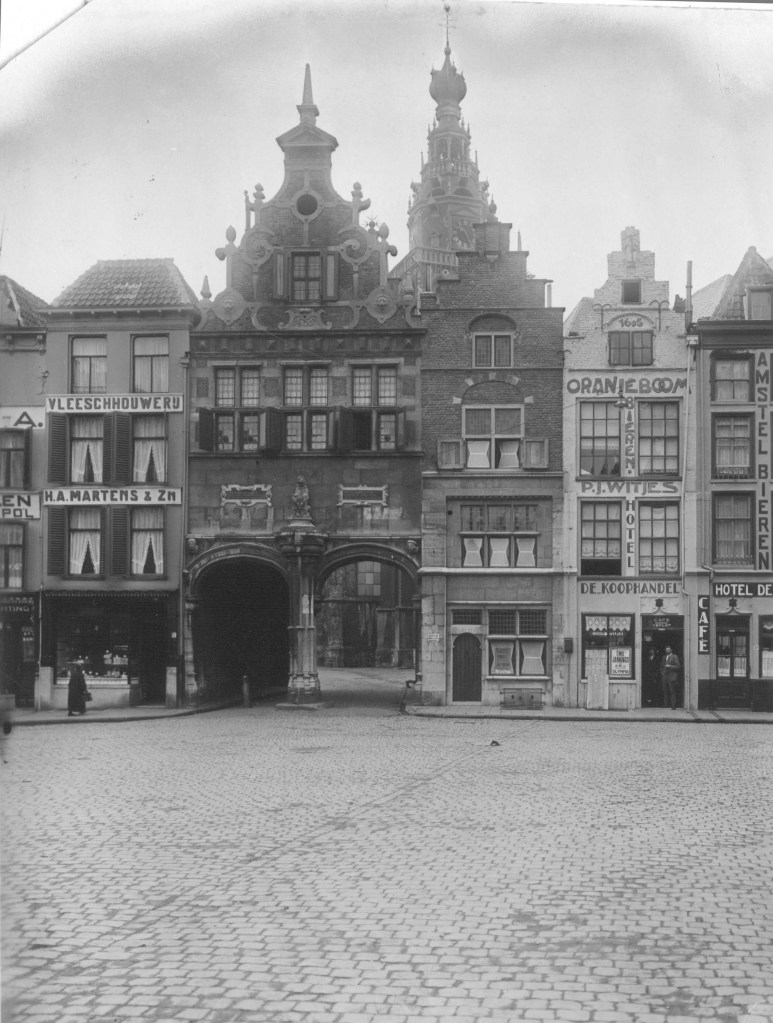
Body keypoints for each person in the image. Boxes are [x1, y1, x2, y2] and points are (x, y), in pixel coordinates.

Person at [660, 645, 681, 710]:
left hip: (672, 676)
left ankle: (673, 705)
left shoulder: (675, 657)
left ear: (671, 650)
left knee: (672, 691)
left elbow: (678, 666)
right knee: (665, 690)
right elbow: (661, 666)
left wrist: (670, 666)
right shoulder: (664, 657)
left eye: (668, 650)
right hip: (665, 676)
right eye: (666, 650)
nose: (667, 651)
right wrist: (662, 673)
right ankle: (665, 704)